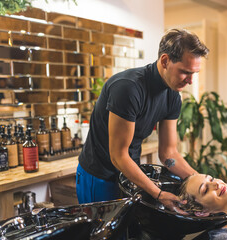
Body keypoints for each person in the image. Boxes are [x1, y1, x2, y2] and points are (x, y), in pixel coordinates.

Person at [77, 29, 209, 212]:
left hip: (129, 173)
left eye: (194, 73)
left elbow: (169, 153)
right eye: (185, 72)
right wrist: (158, 193)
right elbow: (118, 155)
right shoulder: (128, 88)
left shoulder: (172, 96)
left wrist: (202, 180)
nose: (190, 81)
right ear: (165, 61)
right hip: (99, 176)